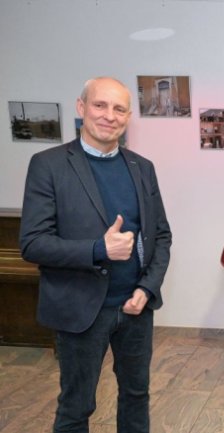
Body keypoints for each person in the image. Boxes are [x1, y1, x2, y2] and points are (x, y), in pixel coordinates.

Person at [20, 77, 172, 433]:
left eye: (119, 109)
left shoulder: (141, 167)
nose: (109, 116)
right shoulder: (48, 165)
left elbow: (161, 236)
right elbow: (32, 243)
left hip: (135, 309)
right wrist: (98, 248)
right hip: (80, 309)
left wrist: (147, 288)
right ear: (81, 108)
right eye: (100, 105)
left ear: (129, 116)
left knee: (136, 396)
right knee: (77, 405)